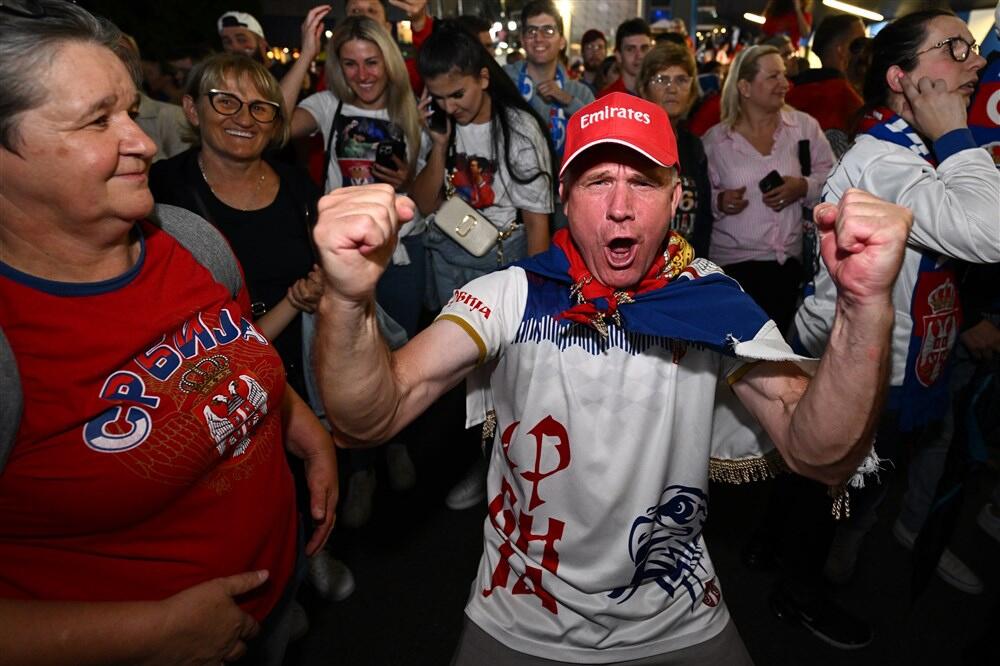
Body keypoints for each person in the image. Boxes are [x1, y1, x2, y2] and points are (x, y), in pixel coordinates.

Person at [310, 90, 913, 665]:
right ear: (566, 196)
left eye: (642, 182)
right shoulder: (512, 296)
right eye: (599, 181)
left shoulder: (711, 302)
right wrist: (344, 296)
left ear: (677, 198)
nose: (620, 206)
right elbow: (368, 416)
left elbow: (822, 453)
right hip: (521, 612)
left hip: (675, 610)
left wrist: (865, 308)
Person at [0, 2, 337, 664]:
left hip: (271, 587)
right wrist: (148, 633)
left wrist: (302, 426)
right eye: (99, 120)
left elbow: (232, 350)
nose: (145, 142)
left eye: (130, 110)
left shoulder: (188, 238)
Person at [793, 7, 998, 598]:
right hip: (862, 368)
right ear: (900, 77)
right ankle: (806, 598)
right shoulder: (886, 160)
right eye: (953, 49)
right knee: (839, 496)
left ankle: (827, 570)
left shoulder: (920, 148)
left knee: (861, 491)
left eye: (974, 49)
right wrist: (957, 135)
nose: (977, 61)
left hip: (897, 357)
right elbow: (990, 233)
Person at [283, 13, 425, 527]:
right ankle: (362, 465)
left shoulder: (412, 111)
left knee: (399, 360)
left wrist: (408, 178)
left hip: (403, 256)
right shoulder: (327, 106)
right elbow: (272, 124)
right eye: (351, 64)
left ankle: (396, 442)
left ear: (388, 63)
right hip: (347, 260)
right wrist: (304, 55)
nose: (364, 74)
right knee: (347, 368)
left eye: (372, 62)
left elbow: (426, 198)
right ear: (338, 68)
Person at [413, 21, 556, 510]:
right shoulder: (437, 124)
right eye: (439, 96)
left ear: (483, 77)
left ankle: (492, 469)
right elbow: (423, 203)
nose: (450, 105)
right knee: (455, 385)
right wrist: (435, 145)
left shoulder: (520, 131)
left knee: (502, 385)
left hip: (501, 265)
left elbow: (539, 223)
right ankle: (468, 464)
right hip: (447, 263)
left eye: (458, 93)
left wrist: (538, 301)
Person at [702, 44, 834, 333]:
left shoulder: (803, 128)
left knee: (776, 358)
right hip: (732, 268)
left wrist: (803, 187)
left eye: (784, 75)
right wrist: (720, 200)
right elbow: (698, 198)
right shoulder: (716, 141)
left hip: (786, 266)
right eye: (773, 76)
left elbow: (834, 179)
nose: (785, 84)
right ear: (745, 87)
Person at [637, 42, 713, 257]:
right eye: (662, 79)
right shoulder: (632, 143)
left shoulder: (693, 145)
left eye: (681, 80)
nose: (672, 88)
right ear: (644, 88)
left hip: (688, 268)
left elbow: (703, 217)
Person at [503, 0, 594, 157]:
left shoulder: (580, 93)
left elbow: (599, 136)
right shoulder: (504, 81)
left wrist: (569, 101)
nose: (538, 38)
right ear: (523, 41)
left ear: (562, 42)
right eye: (531, 31)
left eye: (548, 31)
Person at [785, 14, 866, 144]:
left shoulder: (790, 93)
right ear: (841, 51)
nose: (865, 50)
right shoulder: (847, 100)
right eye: (859, 44)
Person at [218, 10, 290, 80]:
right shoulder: (221, 79)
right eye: (227, 42)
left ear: (262, 43)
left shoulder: (284, 78)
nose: (235, 47)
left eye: (242, 40)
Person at [598, 17, 653, 97]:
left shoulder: (659, 96)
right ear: (618, 56)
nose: (639, 55)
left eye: (644, 48)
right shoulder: (606, 100)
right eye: (630, 49)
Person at [579, 28, 608, 94]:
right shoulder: (574, 88)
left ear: (606, 52)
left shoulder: (612, 89)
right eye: (589, 47)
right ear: (582, 52)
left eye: (600, 47)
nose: (595, 52)